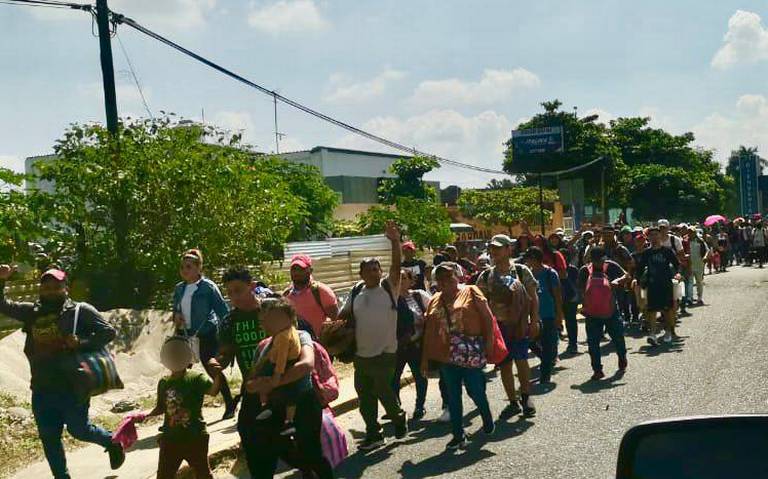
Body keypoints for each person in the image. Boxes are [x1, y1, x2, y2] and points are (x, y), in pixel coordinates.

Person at [0, 265, 125, 479]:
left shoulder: (80, 311)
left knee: (79, 430)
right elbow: (3, 305)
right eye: (46, 286)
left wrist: (82, 343)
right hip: (41, 387)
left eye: (56, 286)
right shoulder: (33, 312)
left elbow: (108, 332)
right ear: (41, 290)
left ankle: (111, 441)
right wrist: (2, 280)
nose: (50, 290)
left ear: (65, 288)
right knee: (49, 438)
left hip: (73, 386)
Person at [243, 298, 334, 478]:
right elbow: (251, 381)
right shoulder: (264, 346)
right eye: (264, 320)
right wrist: (256, 386)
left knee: (312, 453)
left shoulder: (300, 336)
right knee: (280, 447)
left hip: (304, 403)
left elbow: (306, 364)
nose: (266, 324)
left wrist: (274, 382)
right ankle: (307, 471)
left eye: (271, 318)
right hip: (276, 408)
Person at [338, 221, 407, 451]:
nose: (373, 272)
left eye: (376, 268)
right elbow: (342, 315)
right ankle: (374, 434)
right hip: (361, 354)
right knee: (365, 397)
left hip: (386, 352)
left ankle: (398, 417)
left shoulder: (389, 287)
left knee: (382, 390)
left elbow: (396, 266)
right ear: (361, 273)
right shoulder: (356, 291)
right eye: (368, 269)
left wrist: (395, 242)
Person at [421, 262, 495, 450]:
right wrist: (425, 359)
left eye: (449, 277)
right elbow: (429, 330)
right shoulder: (434, 300)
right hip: (446, 356)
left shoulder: (471, 291)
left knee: (475, 390)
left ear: (457, 277)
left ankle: (486, 418)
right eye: (440, 278)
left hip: (471, 352)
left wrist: (489, 343)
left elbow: (487, 317)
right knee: (453, 396)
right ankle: (458, 435)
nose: (445, 281)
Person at [136, 336, 222, 479]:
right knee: (164, 476)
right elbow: (160, 408)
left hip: (195, 437)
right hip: (170, 439)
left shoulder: (197, 378)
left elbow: (213, 391)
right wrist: (142, 417)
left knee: (203, 473)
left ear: (188, 355)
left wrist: (217, 375)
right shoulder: (163, 382)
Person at [476, 234, 539, 417]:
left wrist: (534, 321)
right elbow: (481, 303)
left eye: (498, 247)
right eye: (492, 248)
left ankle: (526, 397)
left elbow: (533, 297)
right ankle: (513, 402)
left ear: (508, 249)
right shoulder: (486, 275)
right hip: (498, 328)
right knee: (504, 365)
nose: (494, 251)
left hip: (519, 325)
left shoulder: (521, 271)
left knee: (521, 360)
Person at [171, 249, 235, 419]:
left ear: (199, 268)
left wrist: (227, 336)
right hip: (185, 335)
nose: (185, 270)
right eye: (182, 267)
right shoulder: (179, 288)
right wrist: (176, 316)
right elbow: (175, 309)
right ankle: (177, 413)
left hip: (206, 333)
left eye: (189, 267)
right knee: (178, 373)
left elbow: (222, 311)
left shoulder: (208, 287)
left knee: (212, 369)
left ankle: (229, 403)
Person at [249, 296, 304, 435]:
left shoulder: (285, 336)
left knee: (288, 393)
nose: (264, 325)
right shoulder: (278, 335)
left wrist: (277, 377)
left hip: (284, 366)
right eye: (262, 321)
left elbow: (282, 359)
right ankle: (267, 406)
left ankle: (287, 420)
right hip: (278, 364)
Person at [577, 247, 629, 380]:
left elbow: (627, 275)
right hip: (594, 313)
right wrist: (584, 305)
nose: (599, 263)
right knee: (593, 343)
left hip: (610, 310)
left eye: (600, 260)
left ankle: (622, 358)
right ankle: (597, 369)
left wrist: (619, 280)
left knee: (618, 337)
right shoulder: (585, 271)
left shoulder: (611, 266)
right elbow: (581, 290)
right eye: (596, 260)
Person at [392, 269, 432, 421]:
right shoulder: (389, 299)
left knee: (420, 376)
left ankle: (419, 406)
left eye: (403, 278)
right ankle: (396, 408)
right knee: (393, 378)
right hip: (397, 346)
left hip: (417, 344)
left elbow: (433, 310)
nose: (400, 281)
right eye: (397, 278)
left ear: (411, 281)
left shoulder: (418, 295)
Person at [523, 247, 564, 384]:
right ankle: (548, 358)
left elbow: (557, 296)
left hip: (548, 315)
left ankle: (545, 375)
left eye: (529, 258)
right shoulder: (527, 275)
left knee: (547, 344)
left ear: (534, 258)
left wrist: (559, 315)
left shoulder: (550, 273)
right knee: (530, 342)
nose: (527, 261)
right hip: (533, 317)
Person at [635, 227, 681, 346]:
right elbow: (640, 269)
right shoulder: (646, 253)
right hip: (652, 284)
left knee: (667, 310)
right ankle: (652, 334)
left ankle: (668, 331)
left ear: (660, 236)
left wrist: (678, 274)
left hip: (666, 284)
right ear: (648, 237)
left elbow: (677, 265)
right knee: (651, 310)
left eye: (656, 234)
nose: (654, 237)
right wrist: (637, 281)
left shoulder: (667, 251)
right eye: (651, 235)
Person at [283, 254, 339, 338]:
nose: (297, 272)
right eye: (294, 269)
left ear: (310, 270)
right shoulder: (286, 295)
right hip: (296, 347)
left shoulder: (321, 291)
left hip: (320, 346)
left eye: (301, 269)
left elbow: (336, 320)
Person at [685, 228, 709, 305]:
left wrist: (705, 257)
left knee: (699, 281)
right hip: (690, 264)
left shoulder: (700, 241)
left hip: (699, 264)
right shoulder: (685, 241)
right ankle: (689, 298)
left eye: (692, 232)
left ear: (695, 233)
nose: (690, 234)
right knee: (690, 282)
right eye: (689, 232)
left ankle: (699, 298)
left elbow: (707, 250)